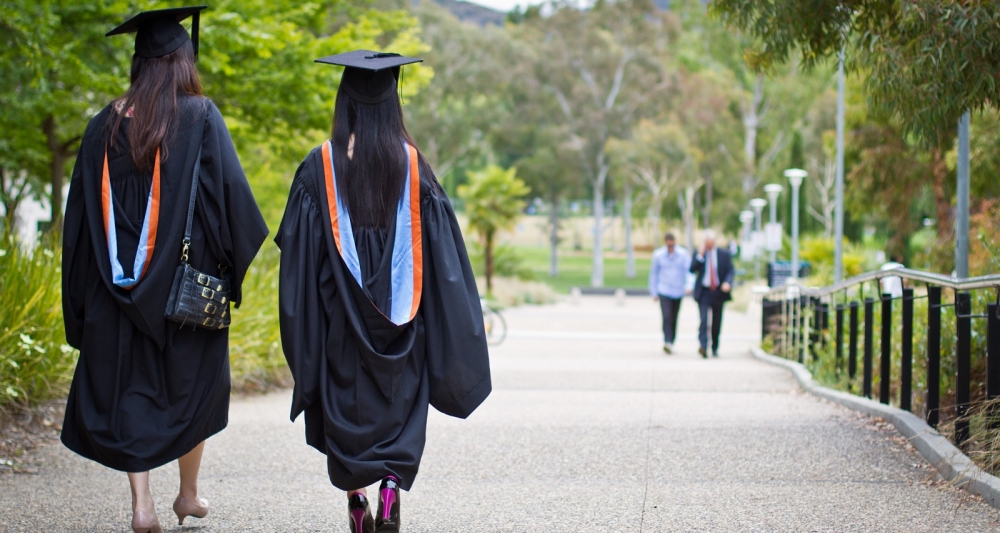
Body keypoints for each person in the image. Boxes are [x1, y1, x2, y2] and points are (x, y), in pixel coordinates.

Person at [60, 7, 268, 532]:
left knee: (128, 389)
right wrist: (229, 272)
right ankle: (188, 496)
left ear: (139, 63)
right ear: (182, 62)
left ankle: (142, 503)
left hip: (114, 287)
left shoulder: (100, 127)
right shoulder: (198, 116)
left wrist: (81, 300)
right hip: (183, 292)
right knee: (190, 388)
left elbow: (79, 222)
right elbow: (234, 205)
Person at [275, 50, 491, 533]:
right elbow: (444, 261)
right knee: (398, 408)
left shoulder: (319, 167)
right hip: (403, 330)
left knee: (344, 411)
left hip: (338, 329)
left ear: (343, 102)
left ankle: (357, 499)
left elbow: (297, 259)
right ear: (393, 104)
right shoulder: (414, 167)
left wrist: (303, 328)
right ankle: (390, 488)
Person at [690, 230, 734, 358]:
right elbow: (692, 269)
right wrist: (699, 255)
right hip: (704, 292)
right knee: (703, 320)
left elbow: (731, 270)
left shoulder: (723, 254)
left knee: (716, 322)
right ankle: (703, 346)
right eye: (706, 242)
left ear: (714, 242)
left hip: (719, 292)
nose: (709, 244)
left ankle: (714, 346)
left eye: (711, 242)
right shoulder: (699, 254)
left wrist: (727, 282)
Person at [648, 232, 690, 354]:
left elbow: (688, 271)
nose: (670, 247)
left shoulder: (683, 254)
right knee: (666, 316)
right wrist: (654, 292)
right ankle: (667, 341)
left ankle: (672, 340)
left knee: (674, 317)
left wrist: (688, 285)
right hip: (664, 290)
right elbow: (654, 274)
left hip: (678, 290)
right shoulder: (658, 255)